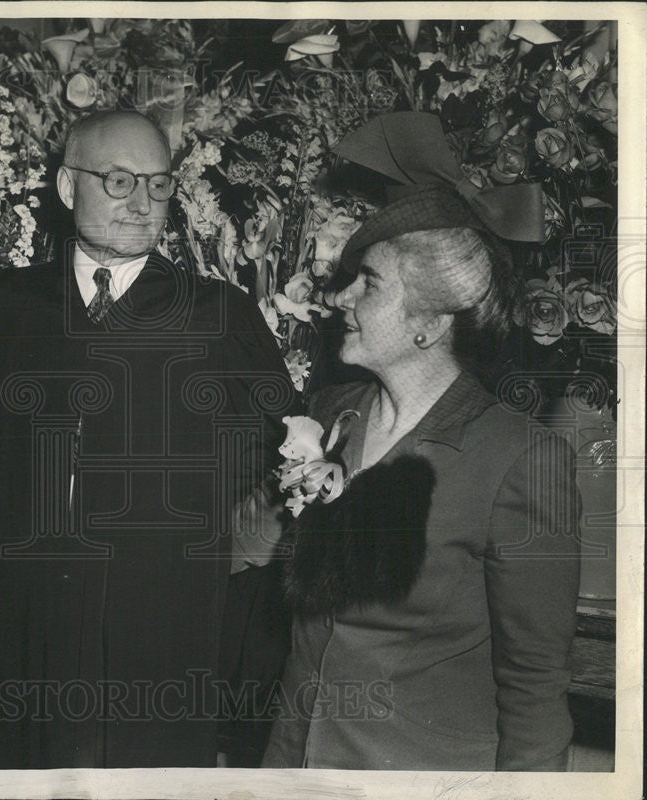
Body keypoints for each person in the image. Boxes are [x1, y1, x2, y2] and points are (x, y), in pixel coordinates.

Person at [0, 110, 293, 768]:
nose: (142, 203)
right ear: (66, 186)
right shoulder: (1, 307)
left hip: (157, 641)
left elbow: (277, 474)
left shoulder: (221, 318)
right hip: (19, 634)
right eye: (118, 181)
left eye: (159, 184)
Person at [262, 113, 581, 771]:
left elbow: (536, 693)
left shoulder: (521, 460)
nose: (340, 297)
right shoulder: (330, 414)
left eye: (369, 283)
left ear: (430, 323)